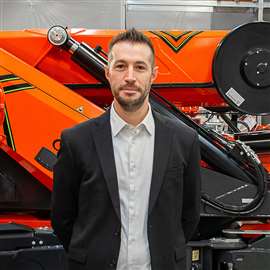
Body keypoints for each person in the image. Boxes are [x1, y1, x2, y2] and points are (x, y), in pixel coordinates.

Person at [51, 28, 201, 270]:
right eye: (121, 66)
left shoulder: (183, 140)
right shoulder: (76, 140)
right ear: (108, 72)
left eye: (140, 67)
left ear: (153, 75)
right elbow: (62, 218)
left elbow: (190, 215)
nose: (130, 76)